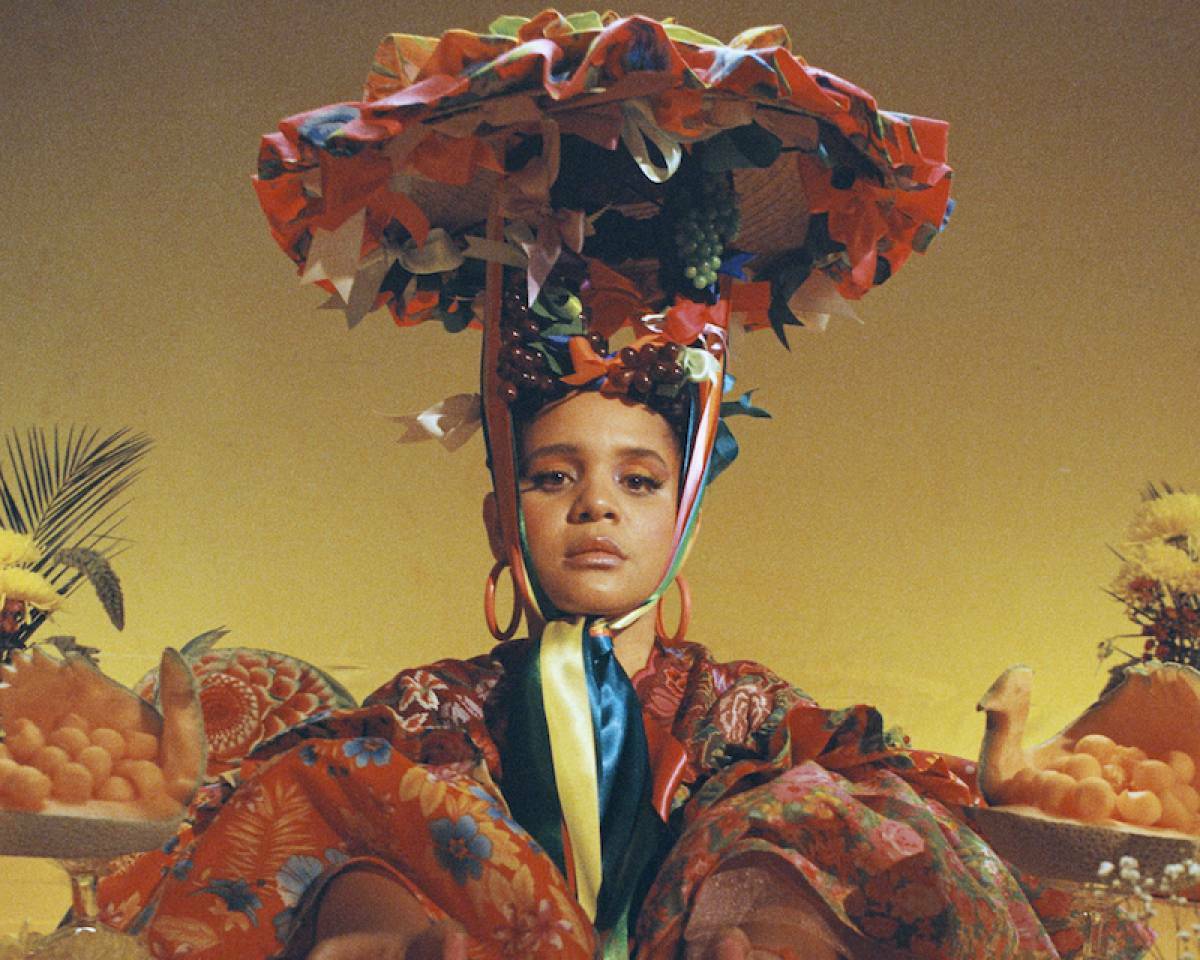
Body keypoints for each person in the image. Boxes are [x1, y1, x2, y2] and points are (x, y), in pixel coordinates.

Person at [96, 11, 1150, 959]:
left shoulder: (750, 720)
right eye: (554, 474)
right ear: (501, 516)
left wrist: (784, 916)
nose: (596, 505)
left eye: (640, 481)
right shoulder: (437, 714)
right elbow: (330, 826)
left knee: (819, 805)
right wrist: (369, 915)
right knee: (356, 788)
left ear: (685, 515)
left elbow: (864, 835)